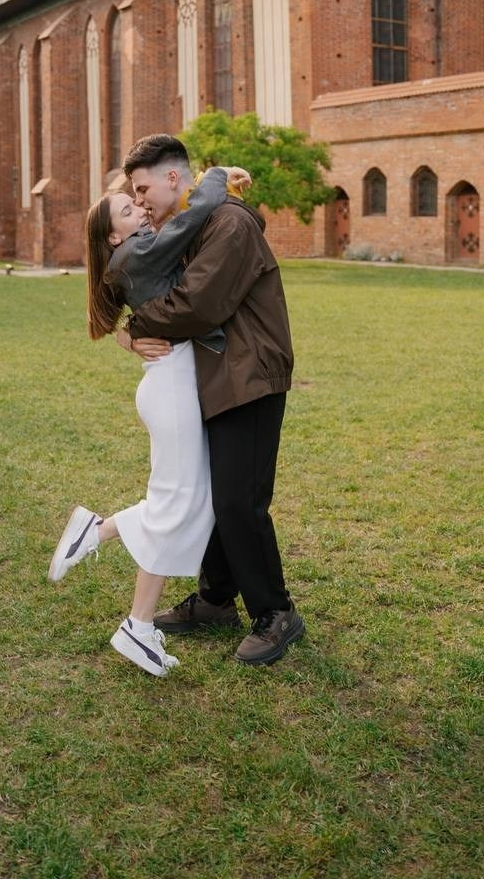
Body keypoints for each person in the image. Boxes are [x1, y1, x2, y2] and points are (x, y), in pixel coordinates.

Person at [48, 165, 250, 678]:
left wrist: (128, 333)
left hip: (174, 383)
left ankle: (118, 575)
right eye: (127, 208)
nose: (139, 207)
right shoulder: (135, 251)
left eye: (136, 201)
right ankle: (130, 610)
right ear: (113, 235)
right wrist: (217, 174)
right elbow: (193, 216)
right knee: (177, 503)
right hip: (171, 388)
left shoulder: (135, 252)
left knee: (186, 502)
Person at [120, 133, 305, 667]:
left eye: (143, 188)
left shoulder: (229, 223)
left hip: (250, 376)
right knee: (218, 494)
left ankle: (276, 612)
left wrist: (134, 327)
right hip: (221, 377)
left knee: (238, 501)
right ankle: (216, 599)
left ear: (174, 178)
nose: (141, 201)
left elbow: (197, 304)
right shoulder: (197, 225)